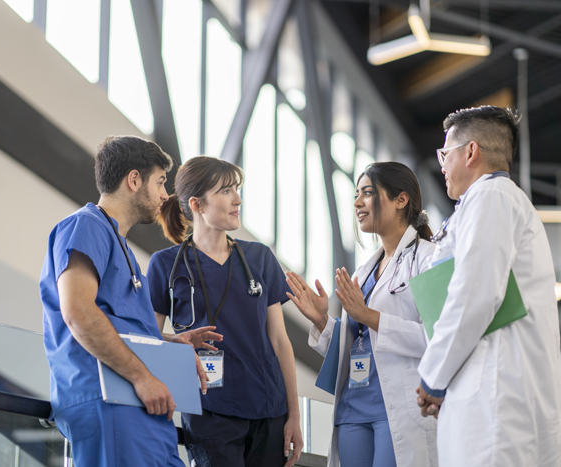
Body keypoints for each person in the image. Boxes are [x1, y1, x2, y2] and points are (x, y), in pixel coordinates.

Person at [40, 136, 219, 467]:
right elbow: (78, 312)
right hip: (112, 397)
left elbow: (117, 321)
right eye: (160, 182)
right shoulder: (85, 226)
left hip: (139, 403)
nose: (166, 195)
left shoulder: (120, 246)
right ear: (134, 180)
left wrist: (168, 341)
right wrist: (141, 376)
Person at [416, 106, 561, 466]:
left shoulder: (492, 197)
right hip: (493, 397)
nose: (441, 165)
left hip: (499, 404)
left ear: (470, 152)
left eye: (445, 154)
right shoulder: (487, 203)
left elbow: (476, 294)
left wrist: (432, 376)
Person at [147, 156, 303, 467]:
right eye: (226, 191)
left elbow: (280, 342)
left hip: (269, 410)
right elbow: (147, 338)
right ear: (197, 204)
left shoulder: (259, 258)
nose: (238, 199)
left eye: (237, 189)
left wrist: (294, 415)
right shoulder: (166, 265)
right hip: (208, 412)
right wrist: (178, 341)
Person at [286, 162, 438, 467]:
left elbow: (437, 339)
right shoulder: (362, 273)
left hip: (399, 405)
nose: (357, 203)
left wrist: (368, 315)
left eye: (367, 193)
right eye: (357, 194)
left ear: (401, 199)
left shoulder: (428, 258)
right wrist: (321, 320)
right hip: (352, 406)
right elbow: (356, 345)